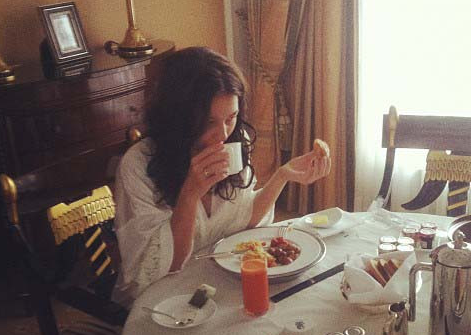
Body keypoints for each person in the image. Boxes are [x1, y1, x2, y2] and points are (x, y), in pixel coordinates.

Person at [112, 46, 331, 306]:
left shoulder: (237, 140)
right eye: (209, 122)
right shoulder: (138, 165)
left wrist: (282, 176)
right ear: (178, 118)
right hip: (164, 299)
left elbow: (244, 219)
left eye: (231, 117)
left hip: (218, 285)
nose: (223, 134)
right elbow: (159, 268)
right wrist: (190, 194)